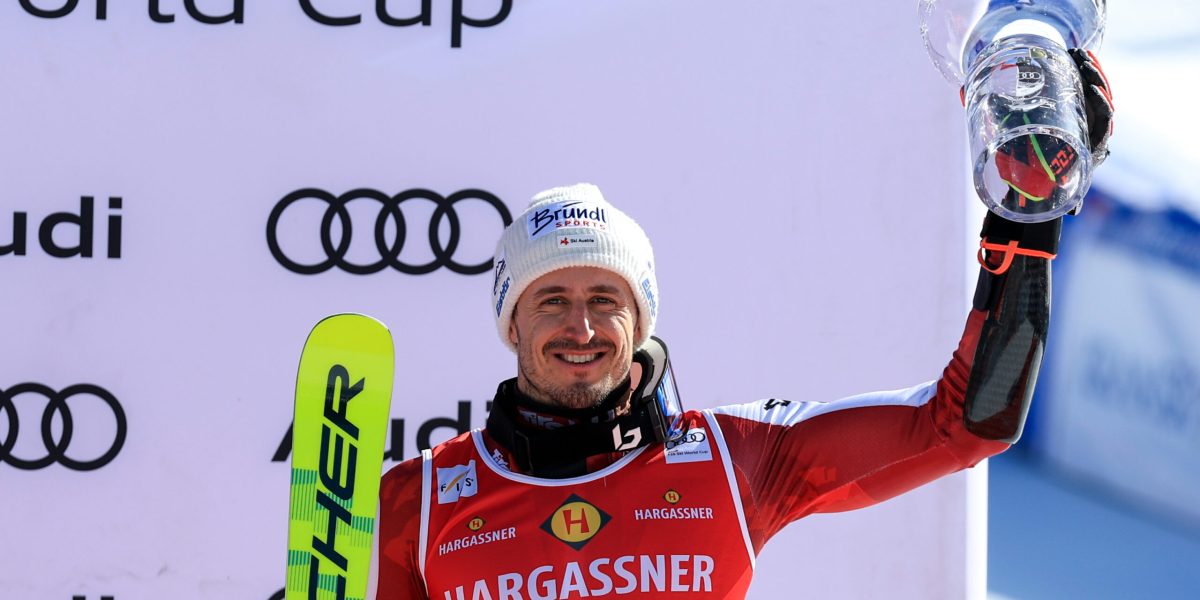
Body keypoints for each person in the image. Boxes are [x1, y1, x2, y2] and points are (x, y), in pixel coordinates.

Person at [375, 50, 1114, 600]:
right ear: (510, 324)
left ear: (641, 320)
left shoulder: (736, 459)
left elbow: (965, 425)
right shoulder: (418, 501)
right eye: (550, 300)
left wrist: (1028, 214)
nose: (581, 326)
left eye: (607, 298)